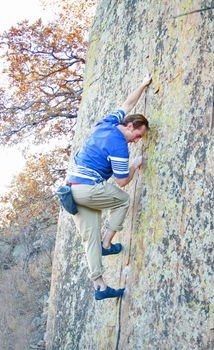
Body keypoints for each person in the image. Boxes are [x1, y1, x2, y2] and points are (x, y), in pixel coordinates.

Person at [66, 74, 152, 300]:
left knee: (88, 239)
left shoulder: (106, 124)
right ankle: (107, 243)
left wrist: (142, 84)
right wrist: (134, 165)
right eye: (137, 135)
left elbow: (127, 104)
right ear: (131, 126)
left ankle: (100, 287)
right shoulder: (120, 146)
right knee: (123, 200)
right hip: (87, 189)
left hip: (71, 191)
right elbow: (122, 182)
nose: (136, 140)